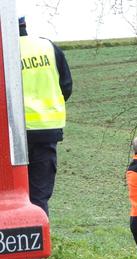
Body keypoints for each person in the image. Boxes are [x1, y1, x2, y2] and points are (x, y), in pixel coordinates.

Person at [19, 16, 73, 216]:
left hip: (12, 135)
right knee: (39, 197)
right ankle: (40, 245)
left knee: (12, 196)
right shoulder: (47, 47)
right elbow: (66, 86)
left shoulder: (4, 51)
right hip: (46, 131)